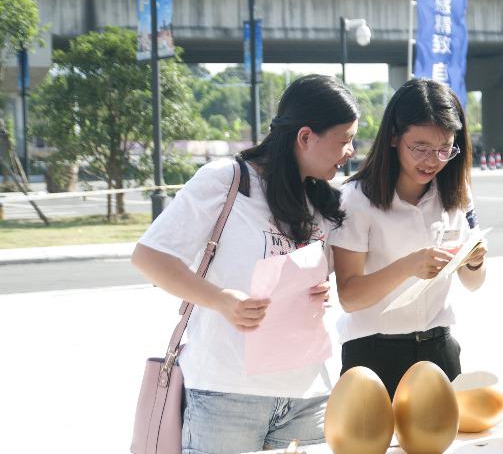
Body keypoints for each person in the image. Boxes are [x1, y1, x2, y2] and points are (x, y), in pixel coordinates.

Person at [131, 75, 358, 454]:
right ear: (305, 137)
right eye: (344, 139)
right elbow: (149, 257)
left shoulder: (321, 199)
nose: (350, 150)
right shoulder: (227, 180)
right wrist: (222, 300)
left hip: (307, 393)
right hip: (226, 394)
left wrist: (315, 291)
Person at [329, 78, 487, 398]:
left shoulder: (456, 193)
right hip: (373, 355)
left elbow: (475, 283)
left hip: (440, 349)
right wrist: (409, 266)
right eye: (420, 148)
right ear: (393, 138)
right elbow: (350, 295)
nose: (433, 161)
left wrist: (474, 261)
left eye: (445, 149)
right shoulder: (355, 200)